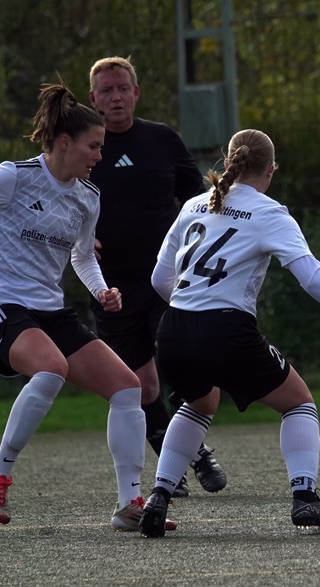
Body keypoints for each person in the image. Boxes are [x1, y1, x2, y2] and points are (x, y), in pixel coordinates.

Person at [0, 83, 175, 532]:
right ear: (64, 142)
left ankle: (129, 504)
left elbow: (82, 256)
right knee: (51, 367)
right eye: (93, 146)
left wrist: (102, 290)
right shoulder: (15, 176)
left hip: (51, 313)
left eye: (101, 147)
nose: (99, 155)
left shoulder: (87, 196)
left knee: (128, 387)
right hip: (3, 307)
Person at [137, 129, 320, 537]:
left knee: (199, 404)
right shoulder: (270, 213)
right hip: (224, 329)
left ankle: (158, 498)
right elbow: (312, 277)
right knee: (299, 403)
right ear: (271, 170)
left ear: (228, 162)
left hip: (173, 329)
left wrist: (192, 309)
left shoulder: (195, 204)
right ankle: (305, 500)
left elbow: (159, 279)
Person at [87, 56, 226, 497]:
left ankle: (189, 452)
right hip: (111, 286)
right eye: (106, 90)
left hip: (169, 278)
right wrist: (77, 236)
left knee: (185, 363)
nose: (115, 97)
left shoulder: (161, 139)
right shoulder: (84, 146)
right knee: (141, 385)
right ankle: (182, 462)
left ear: (136, 93)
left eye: (122, 88)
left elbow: (200, 198)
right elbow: (57, 197)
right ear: (93, 98)